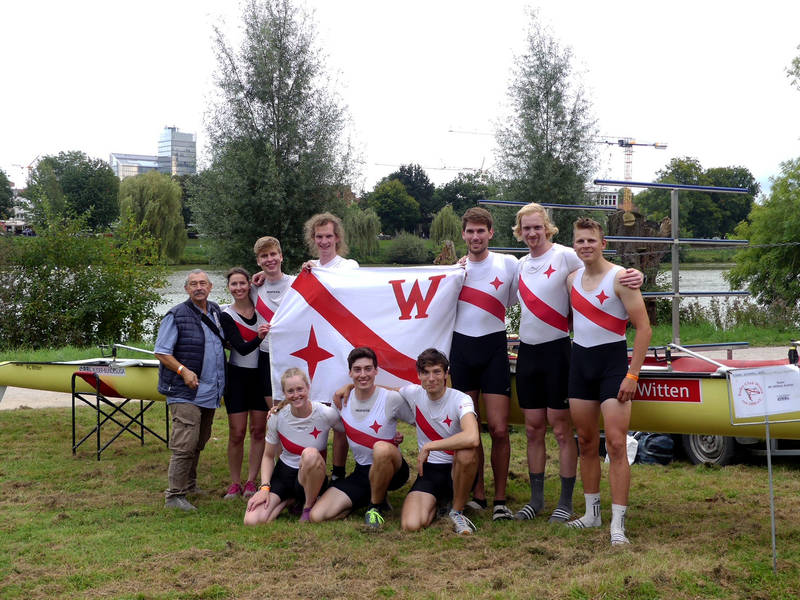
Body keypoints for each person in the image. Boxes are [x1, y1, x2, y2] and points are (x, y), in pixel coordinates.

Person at [511, 203, 643, 522]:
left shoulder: (565, 254)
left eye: (536, 227)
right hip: (529, 352)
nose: (532, 233)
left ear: (547, 228)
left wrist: (639, 274)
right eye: (525, 228)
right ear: (519, 231)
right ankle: (539, 500)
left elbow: (602, 268)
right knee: (534, 429)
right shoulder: (518, 265)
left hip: (560, 351)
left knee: (563, 430)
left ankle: (568, 502)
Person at [565, 217, 651, 545]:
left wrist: (633, 374)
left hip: (613, 367)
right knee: (586, 443)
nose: (585, 246)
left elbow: (644, 329)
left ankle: (618, 524)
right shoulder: (571, 278)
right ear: (574, 246)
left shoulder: (621, 278)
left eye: (591, 240)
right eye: (579, 241)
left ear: (603, 243)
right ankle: (591, 513)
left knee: (615, 444)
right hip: (580, 366)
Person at [450, 207, 518, 521]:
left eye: (481, 231)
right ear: (463, 235)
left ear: (491, 233)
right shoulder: (455, 270)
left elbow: (539, 281)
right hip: (461, 349)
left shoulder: (508, 263)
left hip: (493, 347)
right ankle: (478, 491)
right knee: (471, 429)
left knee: (501, 429)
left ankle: (501, 498)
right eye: (470, 231)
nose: (475, 237)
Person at [310, 347, 414, 528]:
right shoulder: (342, 400)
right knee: (317, 515)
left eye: (368, 369)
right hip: (363, 471)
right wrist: (279, 409)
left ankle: (375, 507)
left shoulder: (391, 398)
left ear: (376, 371)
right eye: (357, 370)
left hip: (394, 469)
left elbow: (419, 420)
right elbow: (338, 434)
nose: (363, 374)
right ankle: (368, 497)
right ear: (350, 372)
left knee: (381, 448)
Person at [155, 269, 226, 511]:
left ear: (211, 286)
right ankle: (174, 496)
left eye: (203, 283)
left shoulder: (216, 311)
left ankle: (190, 485)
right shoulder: (176, 315)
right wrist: (183, 371)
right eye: (193, 284)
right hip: (184, 391)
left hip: (208, 391)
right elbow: (162, 351)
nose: (198, 287)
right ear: (186, 289)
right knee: (185, 442)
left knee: (200, 439)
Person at [244, 368, 342, 524]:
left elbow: (345, 433)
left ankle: (307, 506)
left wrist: (338, 471)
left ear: (308, 388)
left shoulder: (325, 413)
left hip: (311, 476)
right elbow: (268, 456)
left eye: (300, 389)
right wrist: (264, 488)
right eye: (290, 391)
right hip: (284, 474)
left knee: (310, 454)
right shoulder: (277, 416)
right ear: (284, 393)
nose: (296, 395)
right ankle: (288, 500)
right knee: (252, 520)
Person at [398, 349, 480, 535]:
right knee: (411, 525)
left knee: (466, 451)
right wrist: (350, 388)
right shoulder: (413, 393)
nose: (431, 378)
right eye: (426, 372)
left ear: (446, 374)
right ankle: (440, 504)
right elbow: (383, 392)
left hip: (457, 469)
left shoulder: (461, 399)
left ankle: (457, 511)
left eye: (437, 371)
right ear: (419, 375)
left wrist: (430, 445)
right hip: (429, 472)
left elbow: (473, 437)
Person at [218, 267, 270, 500]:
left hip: (260, 378)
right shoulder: (225, 314)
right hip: (237, 377)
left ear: (250, 284)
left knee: (258, 430)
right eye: (233, 284)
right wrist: (259, 337)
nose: (238, 288)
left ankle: (251, 481)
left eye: (242, 283)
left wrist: (264, 274)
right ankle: (235, 482)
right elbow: (239, 347)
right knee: (237, 432)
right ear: (228, 288)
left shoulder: (263, 311)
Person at [251, 236, 295, 407]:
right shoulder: (254, 288)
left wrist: (313, 266)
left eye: (273, 254)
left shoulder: (297, 283)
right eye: (264, 256)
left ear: (281, 256)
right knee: (276, 412)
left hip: (293, 354)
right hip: (266, 356)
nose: (269, 259)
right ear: (258, 261)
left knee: (296, 409)